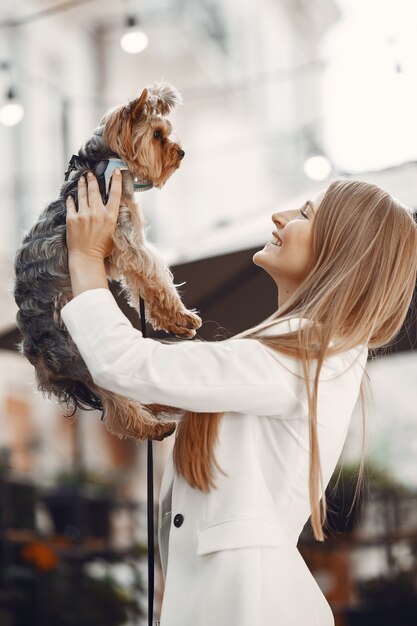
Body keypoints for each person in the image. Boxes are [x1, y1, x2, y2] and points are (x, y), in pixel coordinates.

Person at [61, 170, 417, 626]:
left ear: (340, 250)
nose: (280, 216)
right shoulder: (300, 356)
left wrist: (87, 257)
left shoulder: (306, 360)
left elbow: (127, 364)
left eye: (305, 214)